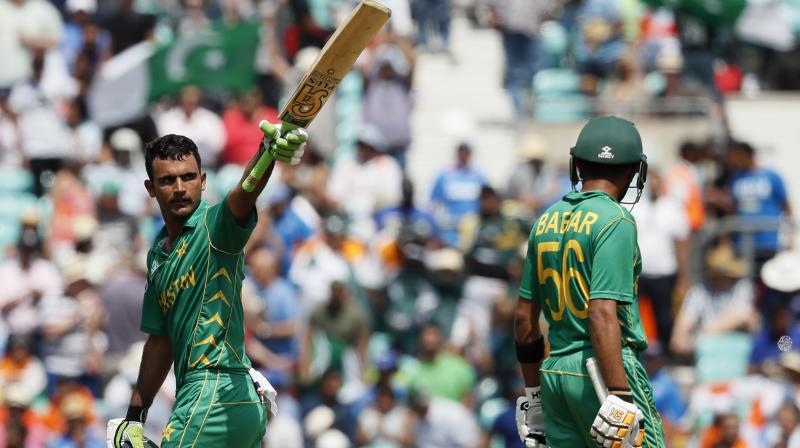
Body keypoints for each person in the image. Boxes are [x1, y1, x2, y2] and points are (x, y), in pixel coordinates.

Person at [106, 119, 308, 447]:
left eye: (188, 177)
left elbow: (244, 193)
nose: (181, 187)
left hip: (214, 391)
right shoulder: (158, 256)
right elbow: (159, 343)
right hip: (229, 399)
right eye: (168, 180)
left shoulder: (215, 228)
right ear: (150, 188)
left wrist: (266, 155)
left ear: (202, 181)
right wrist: (135, 417)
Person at [515, 116, 665, 447]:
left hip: (554, 373)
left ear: (577, 165)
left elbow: (525, 320)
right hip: (603, 367)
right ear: (633, 172)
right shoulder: (616, 221)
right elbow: (600, 312)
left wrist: (534, 397)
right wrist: (620, 393)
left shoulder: (545, 220)